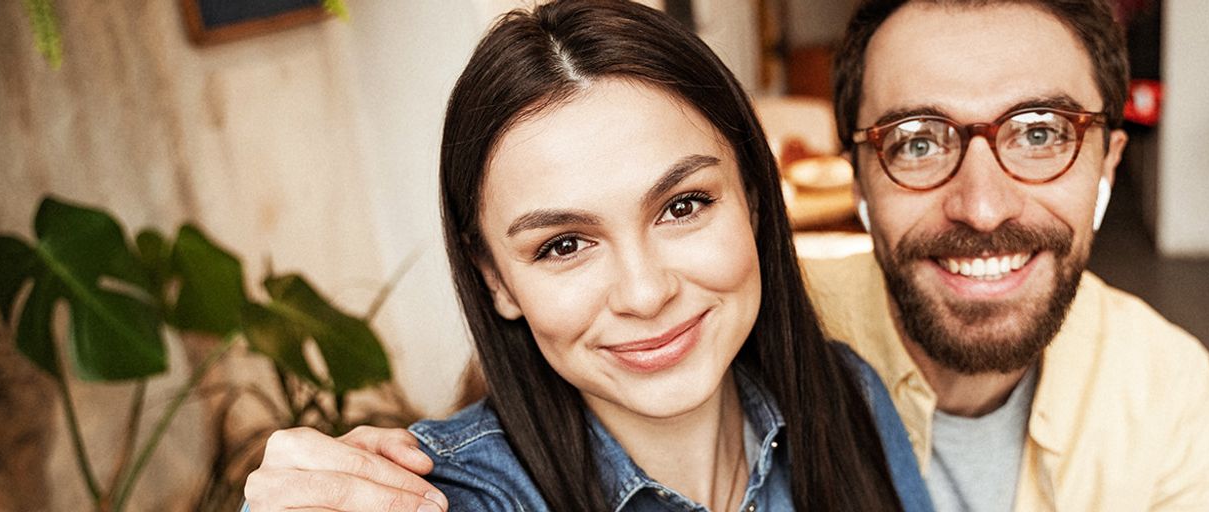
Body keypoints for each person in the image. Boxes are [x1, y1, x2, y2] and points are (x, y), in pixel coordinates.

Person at [244, 1, 933, 511]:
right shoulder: (455, 498)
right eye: (564, 245)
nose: (645, 292)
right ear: (496, 281)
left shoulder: (849, 398)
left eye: (683, 206)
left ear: (753, 199)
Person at [813, 0, 1209, 509]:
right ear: (858, 181)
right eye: (917, 142)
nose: (983, 210)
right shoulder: (771, 342)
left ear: (1107, 165)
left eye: (1040, 133)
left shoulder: (1165, 386)